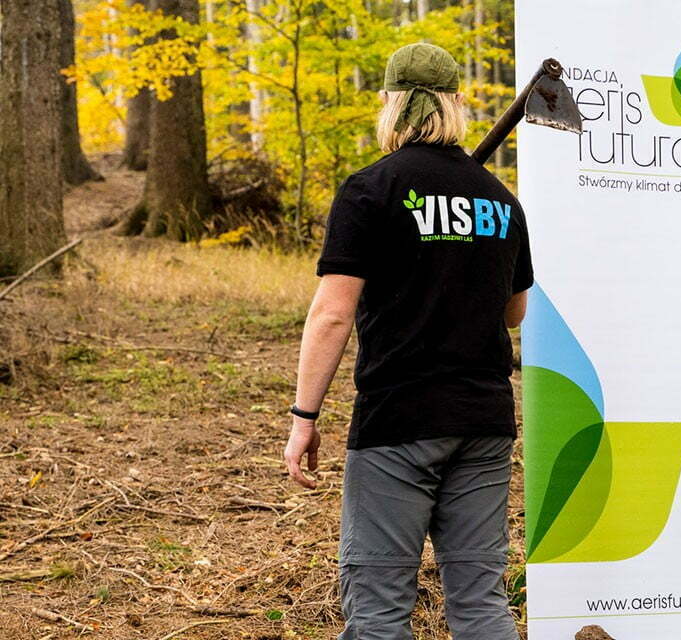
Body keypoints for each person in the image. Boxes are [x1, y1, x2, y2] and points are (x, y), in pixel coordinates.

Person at [282, 43, 532, 640]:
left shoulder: (371, 189)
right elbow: (514, 312)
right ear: (456, 103)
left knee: (378, 612)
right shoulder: (502, 201)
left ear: (390, 103)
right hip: (484, 423)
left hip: (399, 420)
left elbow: (331, 316)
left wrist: (304, 416)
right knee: (481, 604)